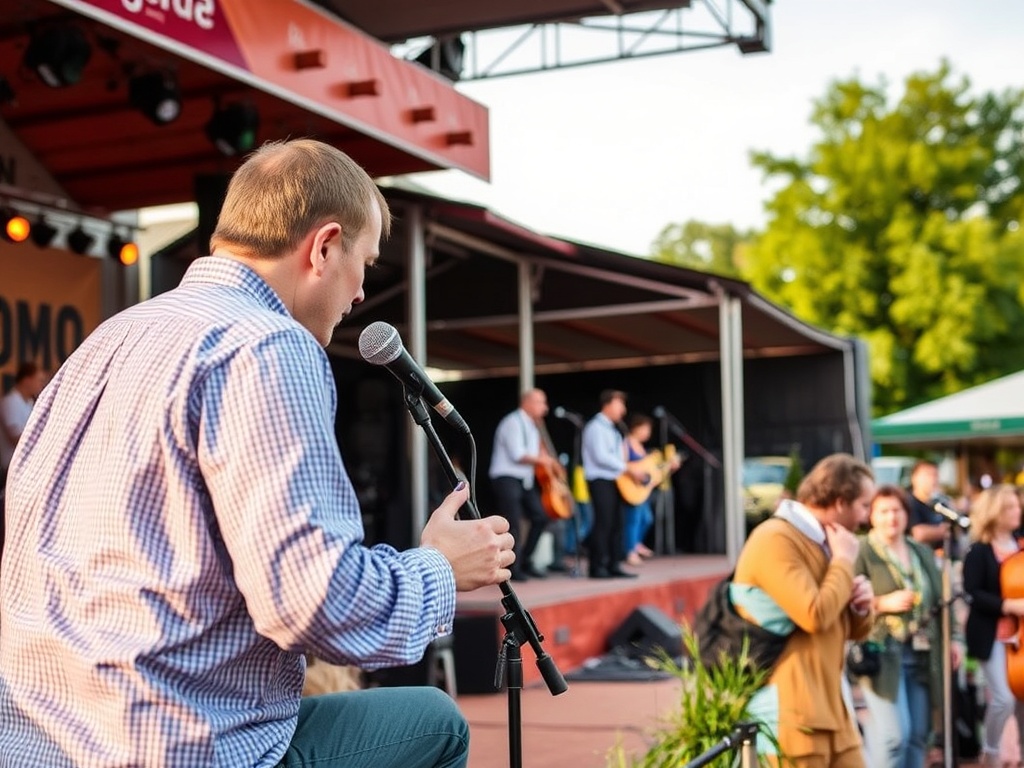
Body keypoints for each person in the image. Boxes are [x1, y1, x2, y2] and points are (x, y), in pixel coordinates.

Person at [0, 139, 516, 768]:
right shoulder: (269, 345)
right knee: (436, 723)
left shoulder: (110, 338)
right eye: (366, 263)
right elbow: (314, 605)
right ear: (324, 247)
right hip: (180, 747)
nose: (359, 294)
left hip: (37, 743)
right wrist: (437, 568)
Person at [733, 453, 875, 768]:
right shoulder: (775, 538)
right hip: (793, 717)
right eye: (864, 506)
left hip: (835, 711)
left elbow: (851, 630)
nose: (867, 518)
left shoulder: (830, 542)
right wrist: (842, 563)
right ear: (840, 502)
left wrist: (862, 607)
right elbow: (814, 614)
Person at [852, 485, 950, 768]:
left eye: (896, 510)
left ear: (906, 514)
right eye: (883, 511)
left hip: (922, 652)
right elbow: (847, 602)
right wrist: (883, 603)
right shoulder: (862, 551)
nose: (891, 517)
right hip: (882, 654)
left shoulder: (919, 550)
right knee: (894, 737)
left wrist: (953, 639)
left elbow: (941, 599)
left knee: (919, 735)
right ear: (871, 515)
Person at [962, 484, 1024, 767]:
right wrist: (1007, 606)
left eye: (1017, 505)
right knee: (1002, 699)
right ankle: (991, 751)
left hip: (1020, 635)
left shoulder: (1021, 544)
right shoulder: (979, 551)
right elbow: (972, 591)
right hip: (993, 635)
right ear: (995, 512)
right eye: (1010, 506)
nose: (1017, 511)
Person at [488, 388, 561, 581]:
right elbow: (517, 454)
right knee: (513, 523)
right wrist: (544, 461)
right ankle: (512, 566)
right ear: (527, 402)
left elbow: (535, 453)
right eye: (540, 402)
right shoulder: (512, 422)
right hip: (507, 477)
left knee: (541, 516)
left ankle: (525, 559)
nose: (544, 408)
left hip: (524, 479)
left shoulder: (533, 425)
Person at [581, 389, 644, 579]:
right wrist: (627, 468)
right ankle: (597, 566)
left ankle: (613, 563)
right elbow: (601, 456)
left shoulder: (613, 429)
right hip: (600, 479)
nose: (622, 410)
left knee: (617, 523)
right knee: (603, 523)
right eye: (619, 405)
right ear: (607, 404)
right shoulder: (595, 427)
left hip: (615, 480)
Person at [621, 413, 681, 566]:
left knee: (647, 519)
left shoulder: (643, 449)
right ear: (636, 428)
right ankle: (630, 550)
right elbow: (620, 464)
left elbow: (653, 474)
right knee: (632, 521)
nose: (648, 433)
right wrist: (634, 473)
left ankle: (635, 544)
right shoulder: (626, 443)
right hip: (630, 487)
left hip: (642, 491)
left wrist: (669, 467)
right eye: (645, 429)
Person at [0, 361, 47, 550]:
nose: (40, 384)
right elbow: (14, 437)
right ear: (27, 380)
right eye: (38, 380)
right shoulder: (10, 402)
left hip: (29, 472)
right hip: (10, 472)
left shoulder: (29, 403)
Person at [906, 459, 949, 551]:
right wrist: (942, 531)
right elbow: (918, 534)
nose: (933, 479)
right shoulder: (909, 502)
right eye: (928, 475)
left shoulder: (939, 502)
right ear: (914, 478)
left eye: (935, 475)